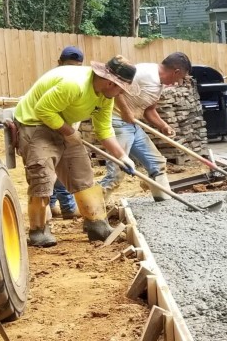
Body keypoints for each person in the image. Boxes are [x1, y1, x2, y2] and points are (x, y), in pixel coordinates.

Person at [13, 55, 140, 247]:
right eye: (122, 89)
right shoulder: (74, 85)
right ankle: (38, 231)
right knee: (43, 177)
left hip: (62, 124)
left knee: (83, 175)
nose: (122, 93)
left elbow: (104, 129)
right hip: (34, 123)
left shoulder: (105, 97)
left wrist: (122, 157)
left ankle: (97, 225)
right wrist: (70, 132)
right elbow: (43, 110)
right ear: (110, 83)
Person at [99, 52, 193, 201]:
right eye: (180, 78)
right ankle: (93, 209)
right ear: (176, 72)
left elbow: (149, 110)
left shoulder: (159, 83)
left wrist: (163, 126)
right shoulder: (143, 73)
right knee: (117, 171)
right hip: (117, 122)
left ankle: (164, 202)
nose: (177, 82)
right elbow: (116, 87)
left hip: (133, 124)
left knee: (157, 163)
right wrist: (125, 111)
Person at [48, 46, 86, 220]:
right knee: (59, 170)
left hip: (67, 130)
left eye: (76, 67)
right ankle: (67, 207)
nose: (71, 71)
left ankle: (52, 205)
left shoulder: (79, 82)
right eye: (68, 66)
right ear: (59, 63)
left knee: (57, 171)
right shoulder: (54, 81)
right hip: (52, 130)